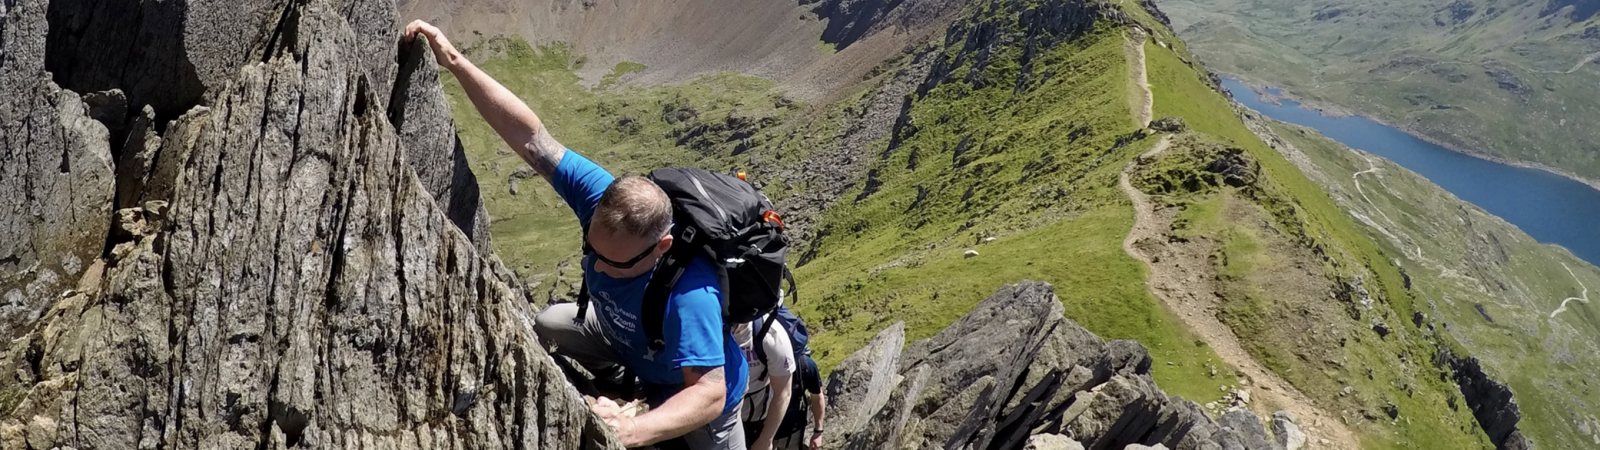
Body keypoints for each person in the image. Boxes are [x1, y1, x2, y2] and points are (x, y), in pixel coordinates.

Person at [403, 21, 748, 449]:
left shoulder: (692, 295)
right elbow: (532, 140)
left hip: (693, 389)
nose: (600, 267)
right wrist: (452, 59)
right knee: (551, 322)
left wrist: (633, 429)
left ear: (661, 247)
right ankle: (629, 387)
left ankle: (644, 405)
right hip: (631, 344)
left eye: (617, 262)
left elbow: (709, 393)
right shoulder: (605, 201)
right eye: (593, 248)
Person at [736, 317, 794, 450]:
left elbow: (784, 393)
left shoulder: (772, 334)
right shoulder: (710, 324)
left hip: (755, 419)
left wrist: (765, 439)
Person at [773, 353, 825, 450]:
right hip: (761, 429)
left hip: (792, 430)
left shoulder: (806, 365)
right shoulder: (759, 365)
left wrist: (818, 432)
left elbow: (817, 396)